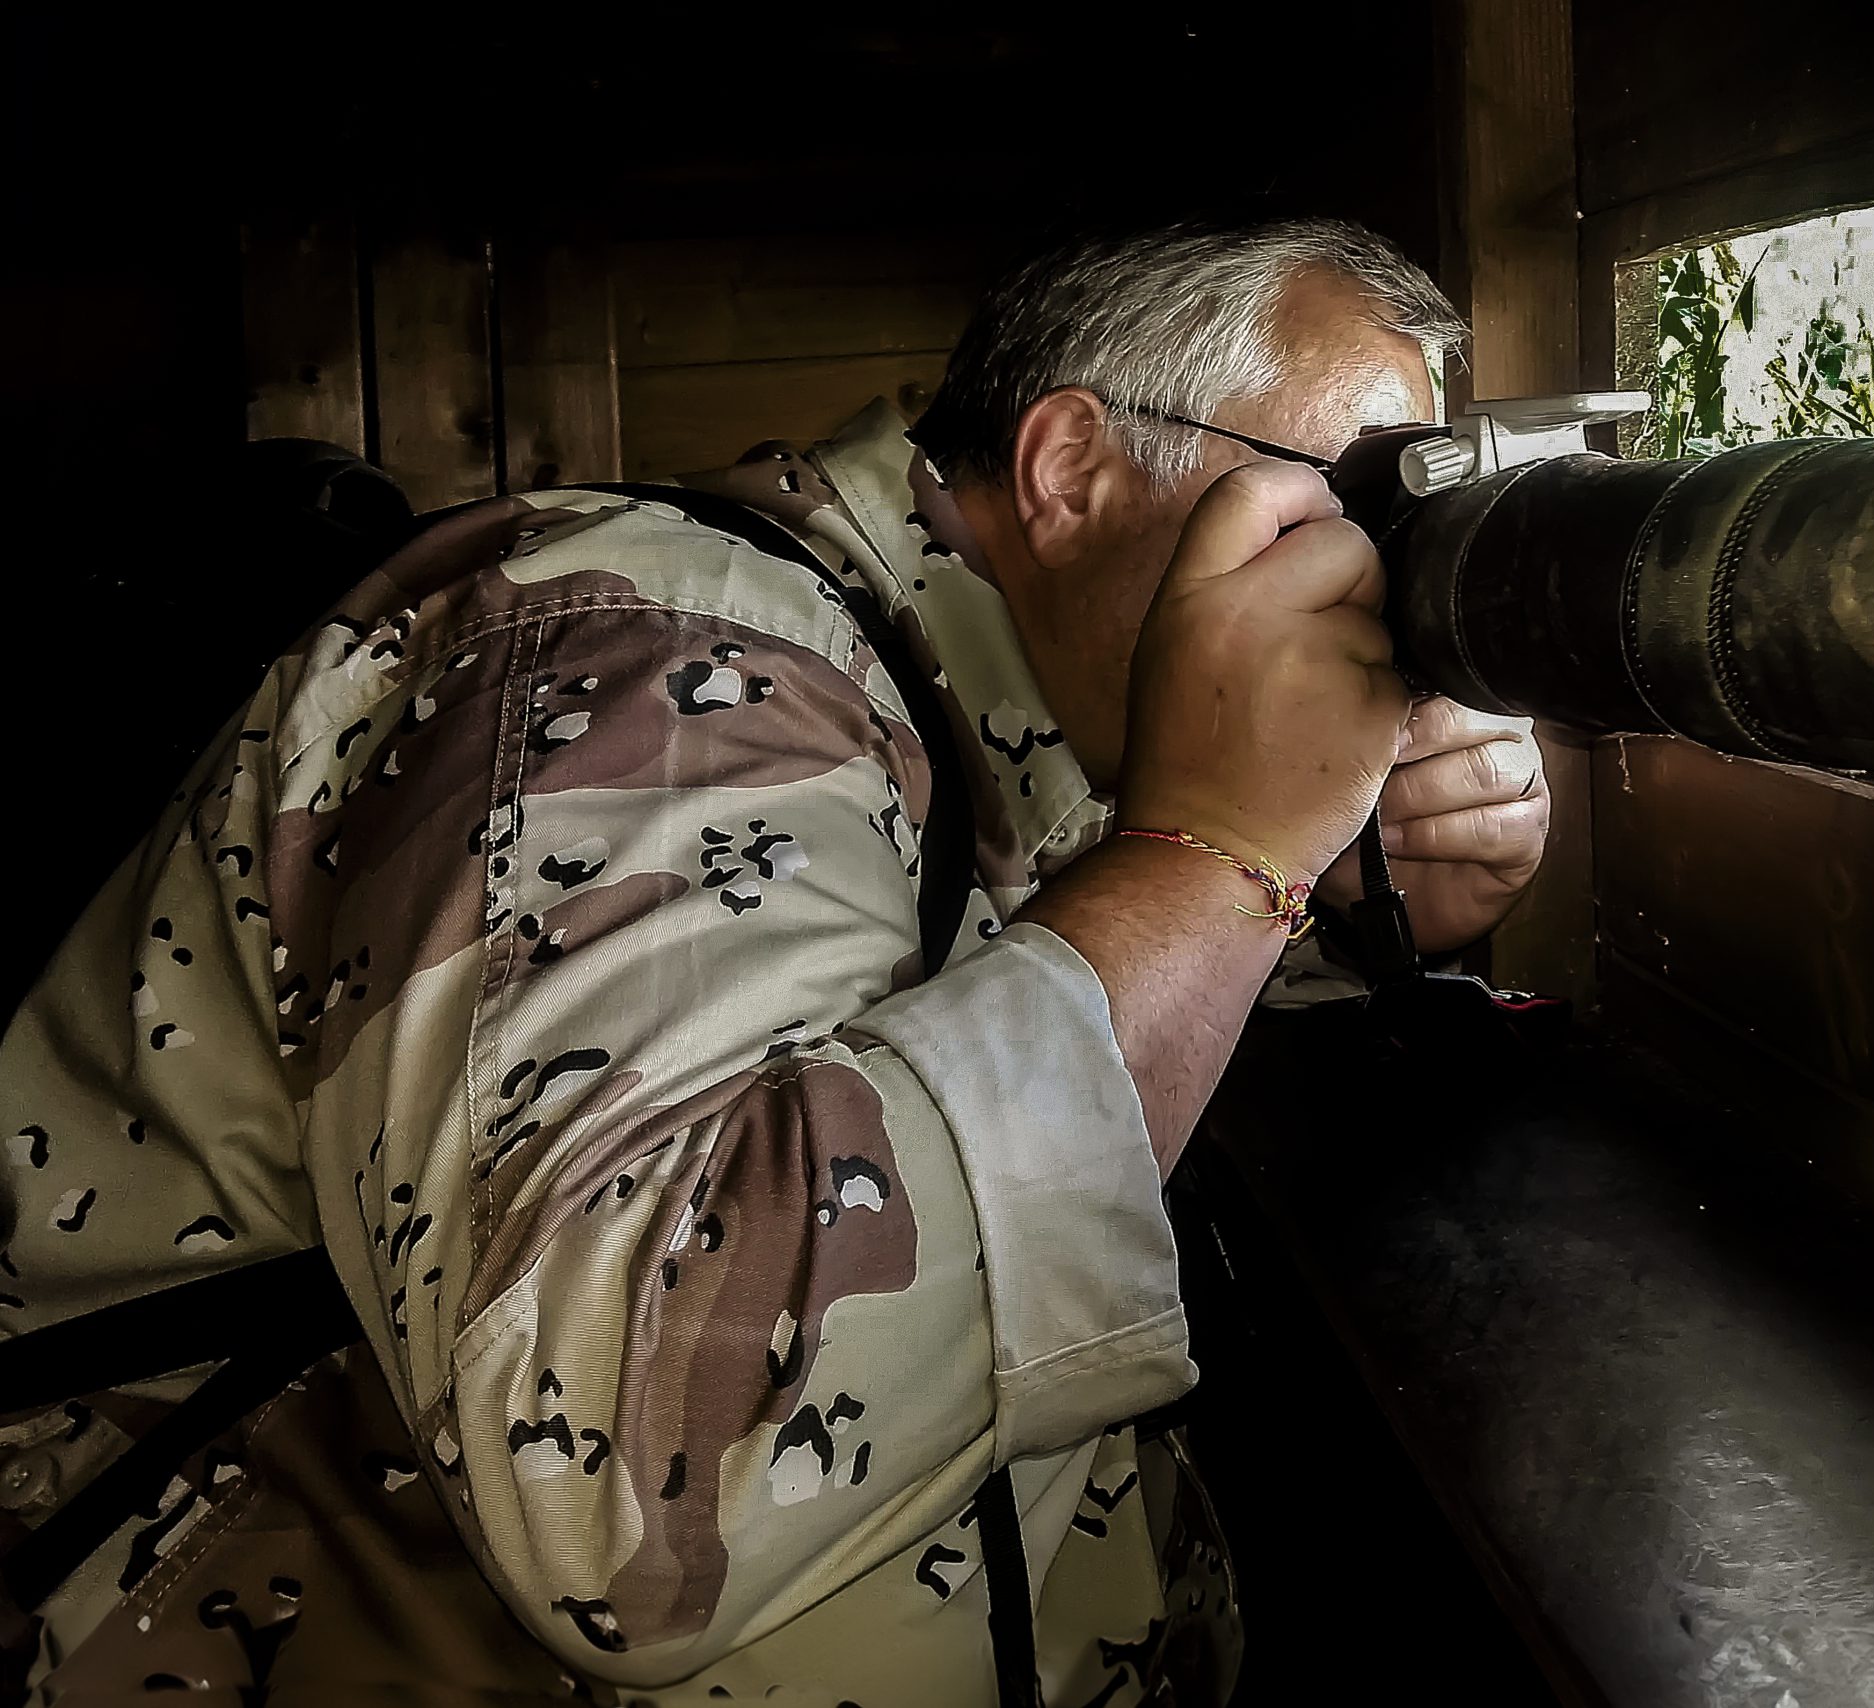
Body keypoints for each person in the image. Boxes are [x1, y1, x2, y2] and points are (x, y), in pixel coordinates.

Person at [0, 218, 1550, 1704]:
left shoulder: (990, 705)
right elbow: (616, 1475)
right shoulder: (652, 665)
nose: (1382, 574)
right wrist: (1223, 859)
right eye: (1354, 491)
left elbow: (962, 997)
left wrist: (1334, 901)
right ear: (1070, 467)